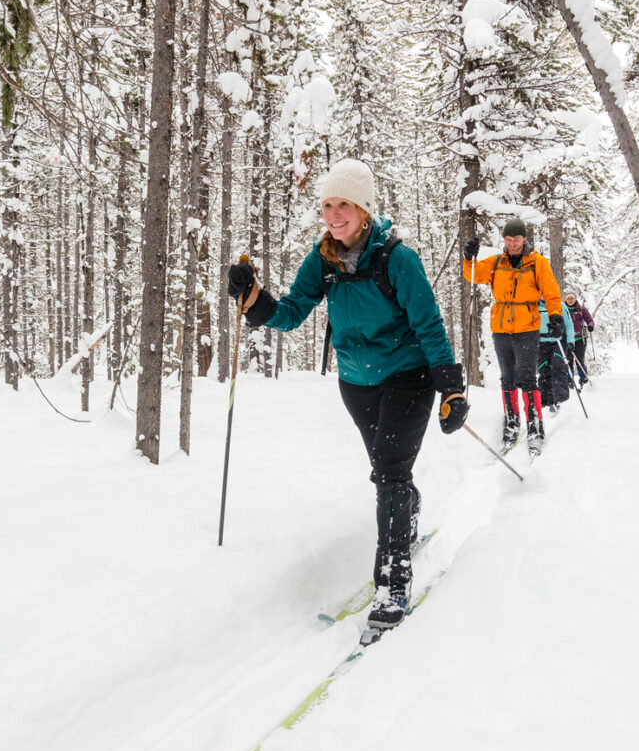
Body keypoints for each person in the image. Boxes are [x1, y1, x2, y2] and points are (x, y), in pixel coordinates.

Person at [226, 159, 467, 631]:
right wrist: (253, 297)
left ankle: (392, 580)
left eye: (344, 206)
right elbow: (293, 312)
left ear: (364, 209)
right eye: (328, 206)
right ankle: (408, 509)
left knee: (390, 472)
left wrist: (452, 388)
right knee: (386, 472)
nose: (334, 215)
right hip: (356, 383)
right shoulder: (323, 260)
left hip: (408, 377)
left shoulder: (399, 259)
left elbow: (429, 324)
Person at [462, 217, 563, 455]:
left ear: (524, 238)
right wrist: (468, 258)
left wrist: (556, 317)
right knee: (507, 378)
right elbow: (473, 275)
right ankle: (512, 422)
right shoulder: (497, 261)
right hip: (501, 328)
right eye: (508, 239)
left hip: (527, 327)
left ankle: (535, 425)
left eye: (516, 239)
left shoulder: (537, 263)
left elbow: (551, 293)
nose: (512, 243)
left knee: (527, 378)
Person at [563, 292, 595, 383]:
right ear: (565, 299)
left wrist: (590, 325)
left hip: (580, 339)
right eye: (568, 298)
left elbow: (590, 320)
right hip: (567, 340)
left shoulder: (581, 309)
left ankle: (583, 378)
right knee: (568, 361)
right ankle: (569, 379)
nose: (570, 300)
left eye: (572, 298)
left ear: (575, 298)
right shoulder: (562, 309)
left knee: (580, 360)